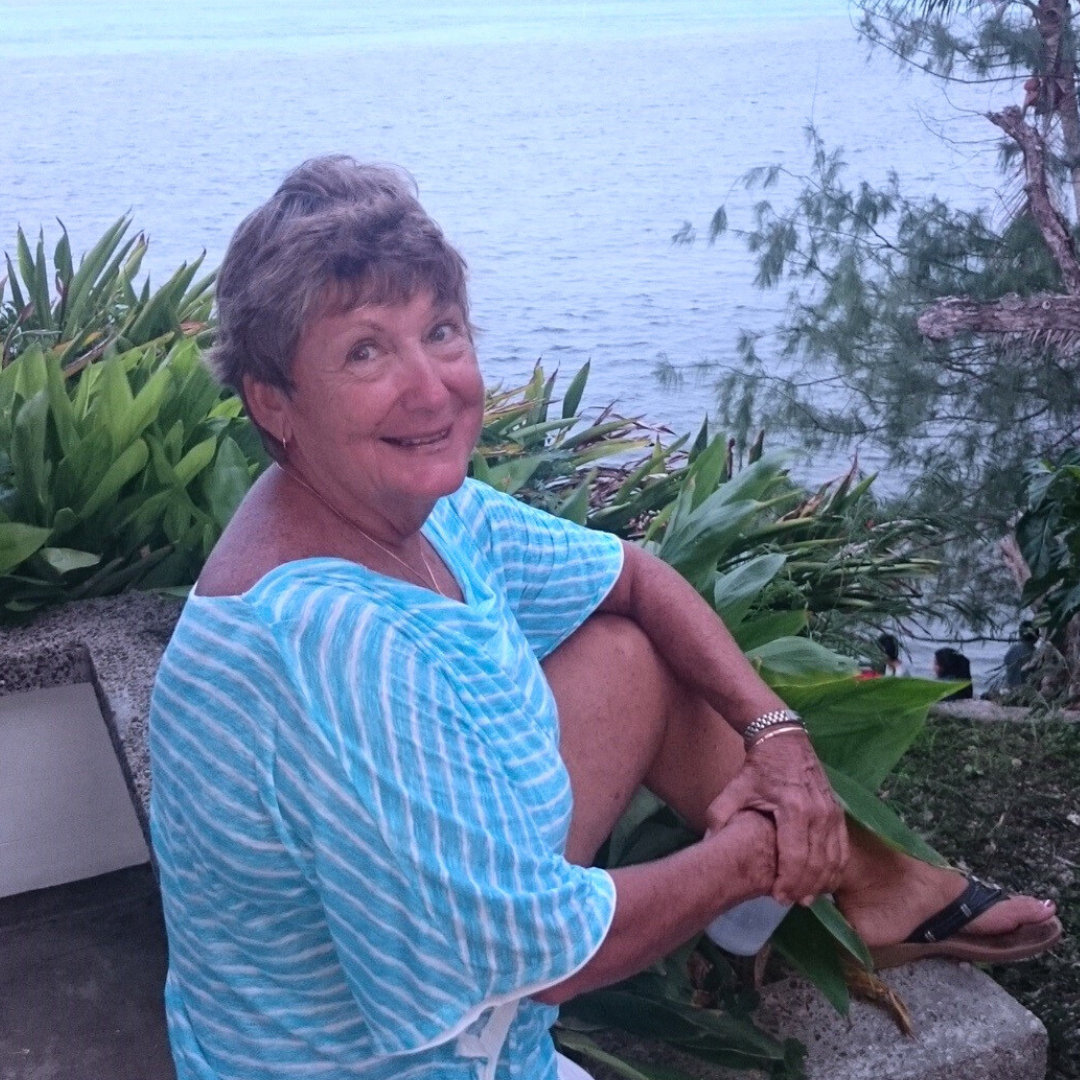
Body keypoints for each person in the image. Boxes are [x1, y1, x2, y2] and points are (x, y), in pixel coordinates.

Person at [149, 157, 1061, 1080]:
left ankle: (872, 890)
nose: (430, 389)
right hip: (408, 1062)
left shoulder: (421, 513)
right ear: (274, 400)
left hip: (471, 999)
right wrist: (759, 851)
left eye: (442, 331)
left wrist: (779, 741)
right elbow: (543, 959)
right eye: (366, 351)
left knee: (626, 651)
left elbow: (631, 575)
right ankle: (843, 885)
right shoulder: (327, 643)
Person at [1003, 621, 1039, 689]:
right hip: (1025, 689)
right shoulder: (1036, 653)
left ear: (1020, 636)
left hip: (1009, 687)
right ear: (1036, 638)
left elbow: (1006, 661)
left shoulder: (1013, 648)